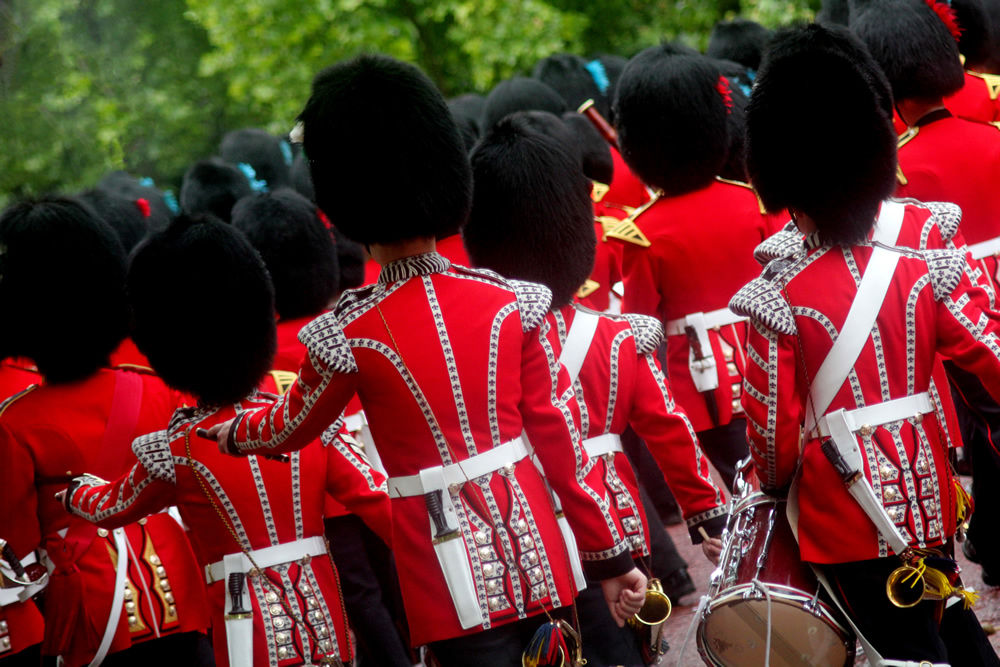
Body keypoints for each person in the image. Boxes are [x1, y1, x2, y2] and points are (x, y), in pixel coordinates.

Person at [210, 54, 647, 667]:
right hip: (541, 554)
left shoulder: (347, 332)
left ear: (342, 202)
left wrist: (230, 434)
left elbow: (290, 426)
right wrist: (609, 556)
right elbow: (560, 443)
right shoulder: (507, 301)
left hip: (443, 578)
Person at [733, 23, 1000, 665]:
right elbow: (988, 369)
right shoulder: (920, 265)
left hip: (842, 518)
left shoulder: (774, 297)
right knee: (947, 626)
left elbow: (774, 443)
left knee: (903, 651)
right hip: (930, 498)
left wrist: (773, 486)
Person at [63, 214, 392, 667]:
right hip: (323, 622)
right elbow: (380, 500)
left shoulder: (177, 447)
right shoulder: (308, 425)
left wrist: (74, 492)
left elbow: (114, 505)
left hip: (242, 630)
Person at [462, 114, 727, 666]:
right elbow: (668, 428)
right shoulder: (614, 337)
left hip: (524, 534)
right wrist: (707, 514)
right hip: (618, 522)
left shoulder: (479, 339)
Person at [0, 197, 211, 666]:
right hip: (184, 591)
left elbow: (16, 551)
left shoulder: (14, 424)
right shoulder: (159, 389)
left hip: (90, 620)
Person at [611, 46, 783, 491]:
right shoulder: (754, 203)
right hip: (775, 367)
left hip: (703, 390)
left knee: (743, 495)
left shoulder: (642, 234)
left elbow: (642, 328)